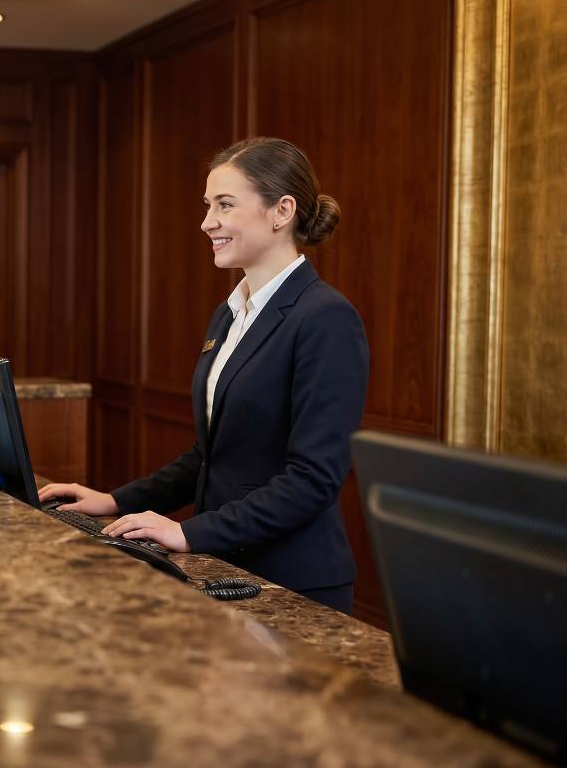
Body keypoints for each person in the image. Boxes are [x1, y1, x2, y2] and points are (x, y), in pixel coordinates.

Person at [41, 137, 369, 613]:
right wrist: (115, 501)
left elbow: (312, 479)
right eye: (208, 205)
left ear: (282, 211)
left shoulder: (326, 318)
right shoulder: (230, 313)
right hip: (225, 566)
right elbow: (210, 456)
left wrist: (189, 532)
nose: (207, 221)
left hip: (292, 584)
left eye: (225, 205)